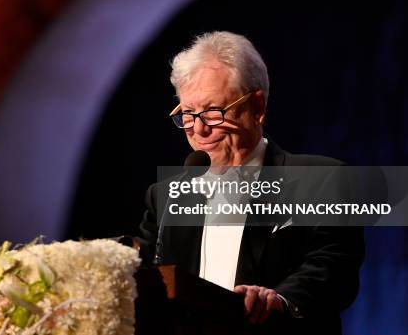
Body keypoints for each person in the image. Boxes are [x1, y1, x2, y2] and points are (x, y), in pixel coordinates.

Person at [138, 31, 364, 334]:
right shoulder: (163, 197)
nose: (198, 129)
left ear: (256, 108)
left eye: (212, 112)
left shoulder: (322, 180)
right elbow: (142, 274)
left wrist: (279, 299)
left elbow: (333, 267)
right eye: (188, 114)